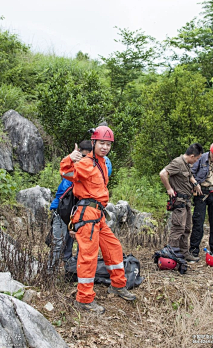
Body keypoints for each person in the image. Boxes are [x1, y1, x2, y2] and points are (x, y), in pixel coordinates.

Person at [60, 126, 136, 314]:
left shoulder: (101, 163)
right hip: (87, 215)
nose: (105, 147)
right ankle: (84, 300)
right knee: (88, 256)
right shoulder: (86, 163)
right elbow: (66, 172)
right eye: (102, 143)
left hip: (98, 215)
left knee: (113, 247)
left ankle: (118, 285)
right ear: (93, 143)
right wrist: (71, 158)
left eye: (108, 144)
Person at [47, 140, 92, 270]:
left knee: (72, 243)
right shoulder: (72, 171)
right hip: (62, 212)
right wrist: (71, 159)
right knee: (58, 244)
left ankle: (70, 270)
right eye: (83, 156)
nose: (85, 160)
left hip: (75, 214)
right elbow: (66, 192)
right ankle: (51, 273)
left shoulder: (89, 170)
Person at [159, 143, 203, 263]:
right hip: (179, 201)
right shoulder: (177, 162)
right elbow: (163, 173)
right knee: (178, 228)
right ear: (192, 156)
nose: (197, 160)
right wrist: (169, 189)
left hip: (187, 200)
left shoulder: (186, 164)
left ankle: (184, 253)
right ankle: (171, 254)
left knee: (187, 228)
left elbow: (189, 176)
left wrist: (195, 184)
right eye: (197, 158)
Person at [189, 141, 213, 258]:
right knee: (198, 222)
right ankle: (194, 251)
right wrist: (195, 184)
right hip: (201, 192)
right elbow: (190, 173)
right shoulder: (201, 158)